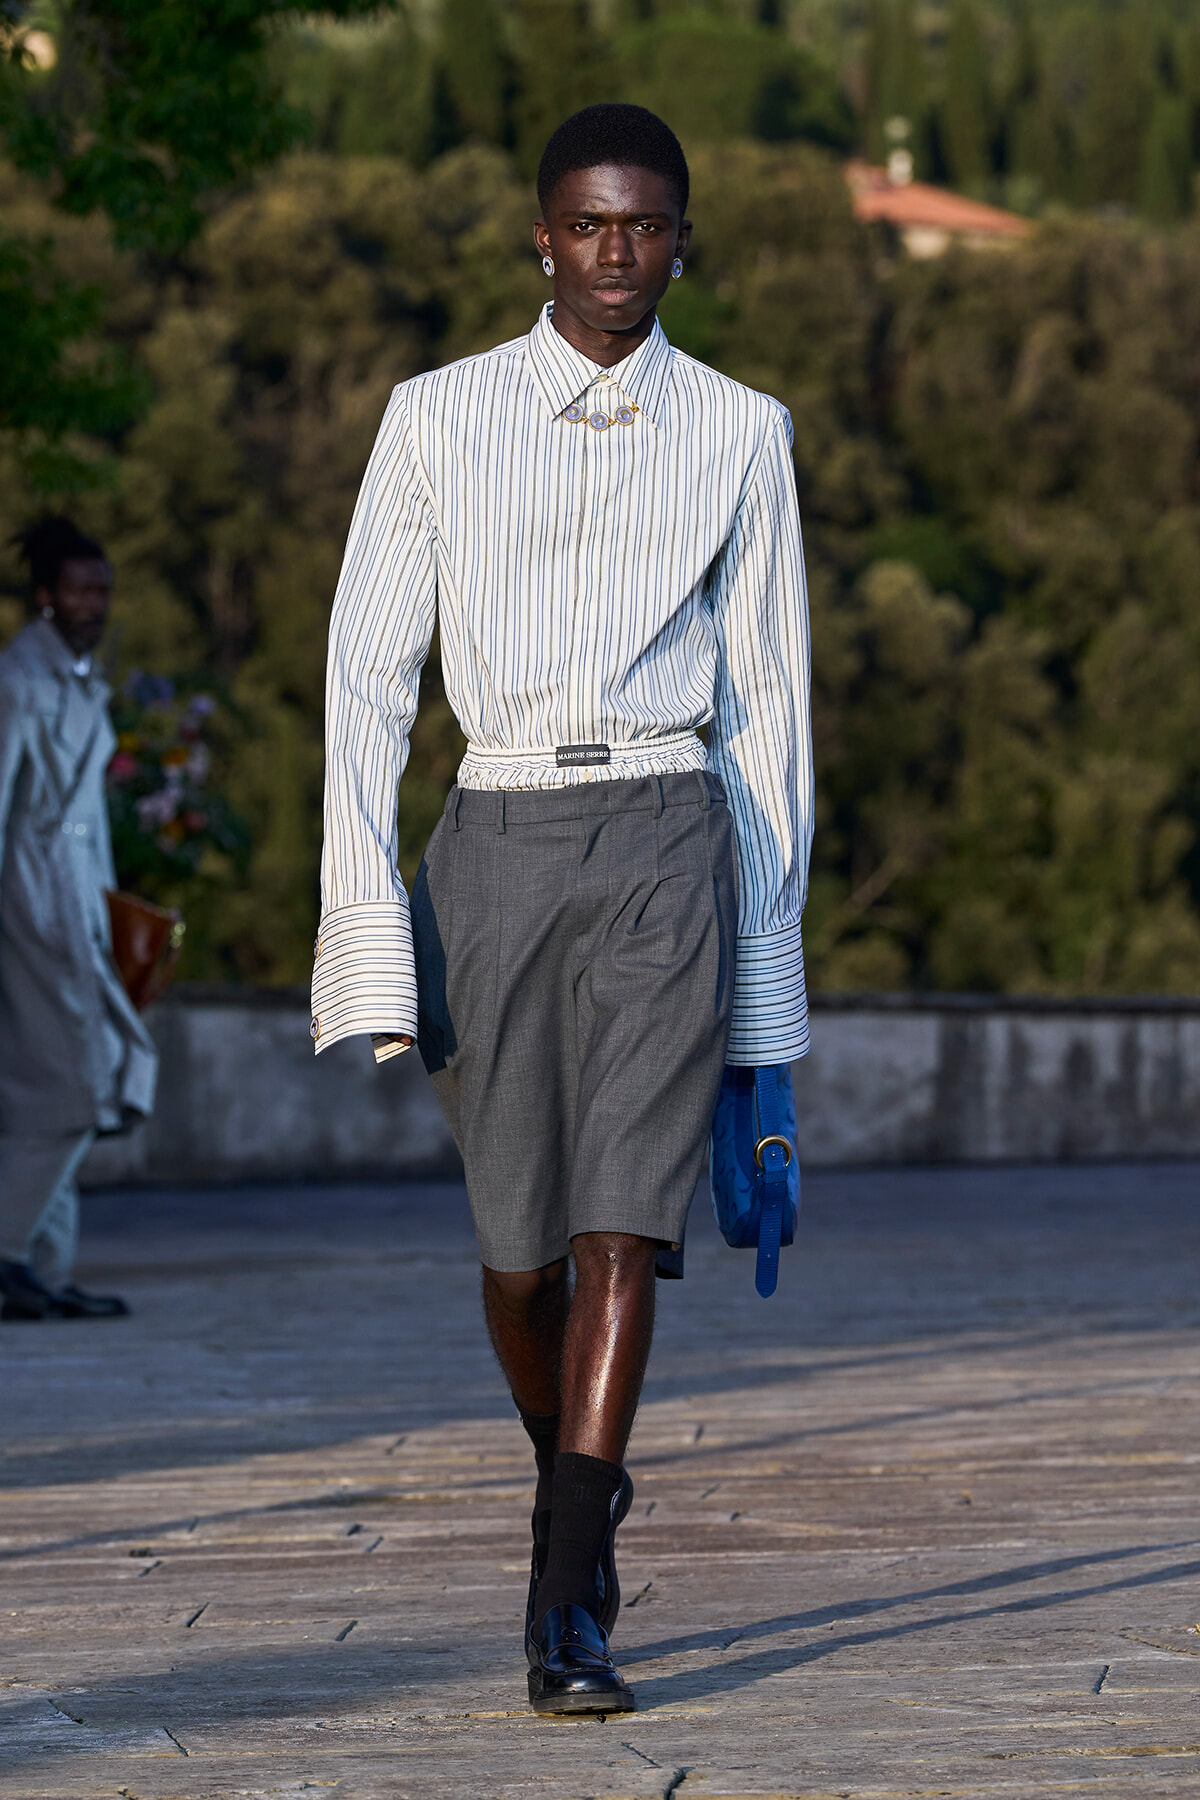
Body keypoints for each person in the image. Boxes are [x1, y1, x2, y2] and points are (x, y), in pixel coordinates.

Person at [313, 104, 812, 1713]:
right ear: (543, 236)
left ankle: (561, 1611)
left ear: (683, 237)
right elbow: (365, 684)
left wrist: (770, 977)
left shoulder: (745, 431)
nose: (618, 254)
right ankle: (574, 1494)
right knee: (519, 1254)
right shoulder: (436, 418)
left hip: (670, 832)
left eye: (647, 226)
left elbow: (774, 713)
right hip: (495, 840)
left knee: (623, 1230)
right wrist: (366, 918)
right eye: (589, 226)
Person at [0, 517, 157, 1321]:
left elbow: (88, 821)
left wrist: (108, 914)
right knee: (69, 1086)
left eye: (103, 589)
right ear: (45, 595)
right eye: (80, 589)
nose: (95, 602)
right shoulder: (20, 680)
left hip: (76, 909)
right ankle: (8, 1258)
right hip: (31, 909)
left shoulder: (80, 680)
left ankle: (41, 1273)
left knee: (64, 1089)